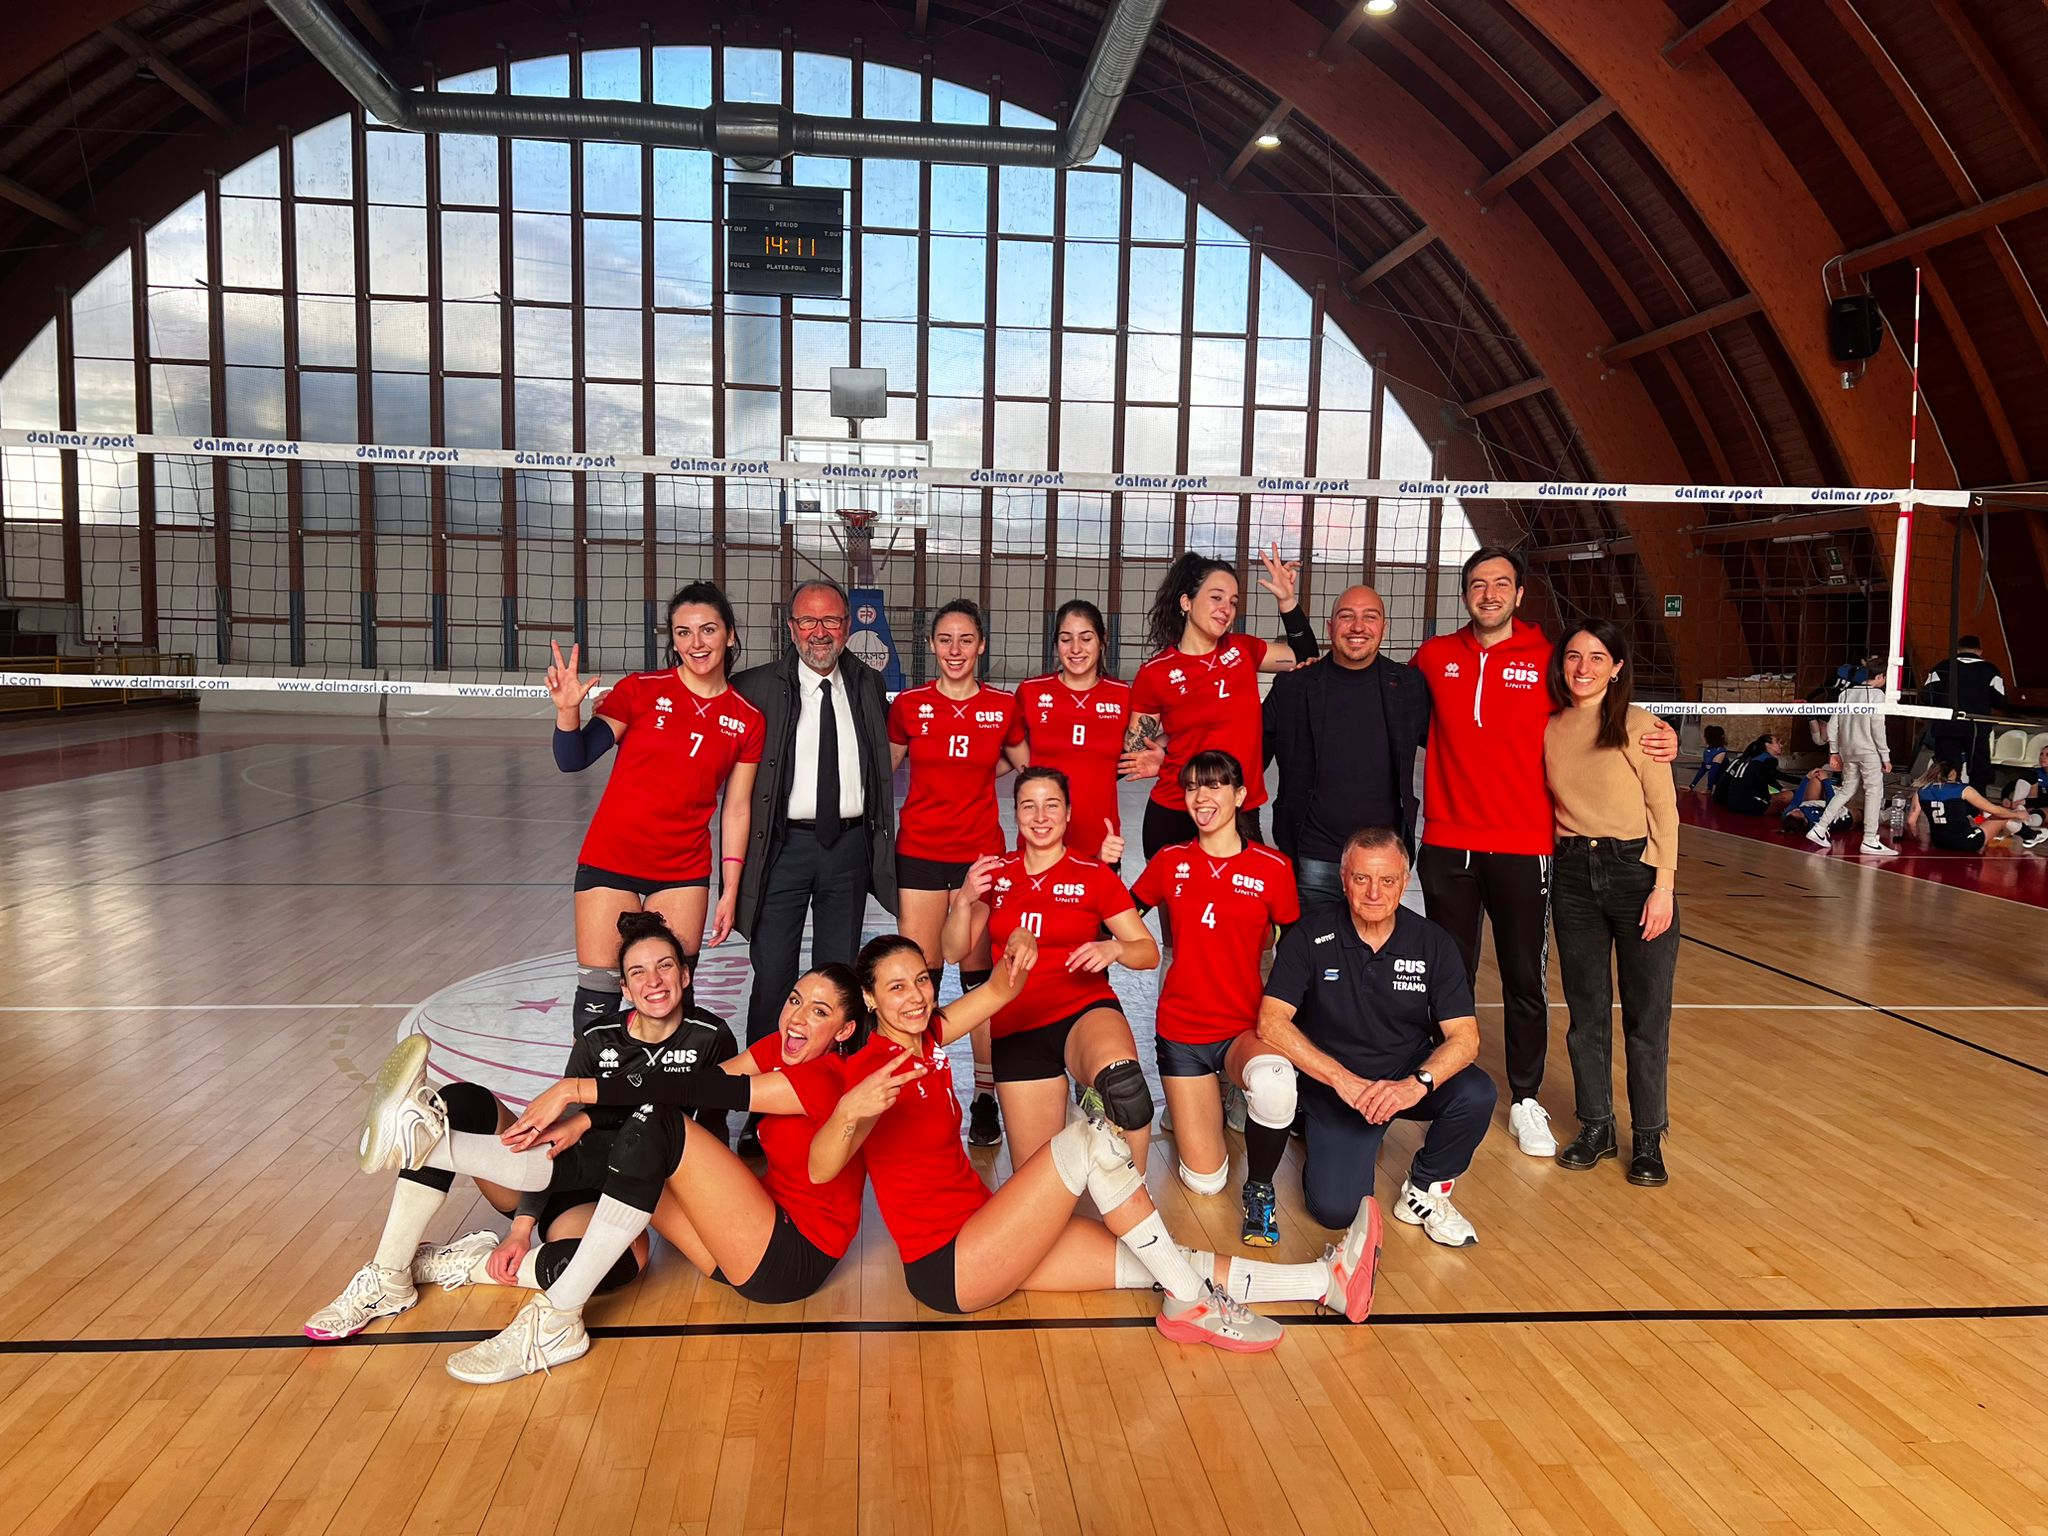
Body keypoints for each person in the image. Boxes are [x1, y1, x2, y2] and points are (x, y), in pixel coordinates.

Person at [817, 935, 1385, 1349]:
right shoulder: (873, 1073)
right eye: (896, 987)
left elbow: (998, 990)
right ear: (868, 1001)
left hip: (989, 1231)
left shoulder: (931, 1037)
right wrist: (848, 1110)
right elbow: (823, 1168)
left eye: (921, 980)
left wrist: (1017, 948)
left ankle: (1324, 1283)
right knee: (1089, 1141)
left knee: (1158, 1262)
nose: (916, 995)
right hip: (952, 1265)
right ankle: (1195, 1308)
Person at [305, 913, 738, 1361]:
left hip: (616, 1193)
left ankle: (464, 1264)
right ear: (625, 990)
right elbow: (553, 1135)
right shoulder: (597, 1038)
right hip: (553, 1173)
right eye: (638, 972)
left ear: (686, 974)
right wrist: (520, 1228)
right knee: (459, 1102)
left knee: (618, 1264)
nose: (654, 981)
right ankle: (389, 1272)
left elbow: (703, 1140)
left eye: (665, 966)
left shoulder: (710, 1038)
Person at [1412, 546, 1678, 1162]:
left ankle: (1527, 1098)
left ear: (1519, 594)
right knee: (1446, 976)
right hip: (1448, 843)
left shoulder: (1550, 661)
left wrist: (1653, 728)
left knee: (1523, 980)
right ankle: (1443, 1086)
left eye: (1500, 583)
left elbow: (1600, 704)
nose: (1489, 594)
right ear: (1464, 593)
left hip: (1526, 847)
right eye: (1477, 584)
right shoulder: (1433, 657)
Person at [492, 962, 874, 1316]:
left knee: (661, 1124)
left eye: (819, 1011)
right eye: (795, 1000)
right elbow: (692, 1085)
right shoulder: (781, 1046)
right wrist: (586, 1120)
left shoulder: (825, 1078)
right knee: (637, 1143)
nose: (797, 1017)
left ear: (844, 1031)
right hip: (739, 1245)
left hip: (789, 1260)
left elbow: (692, 1089)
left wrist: (574, 1090)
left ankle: (561, 1308)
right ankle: (462, 1198)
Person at [1254, 827, 1496, 1246]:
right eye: (1362, 879)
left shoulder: (1432, 942)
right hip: (1335, 1084)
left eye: (1387, 881)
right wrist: (1341, 1080)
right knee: (1335, 1212)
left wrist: (1414, 1085)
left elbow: (1465, 1039)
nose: (1374, 893)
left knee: (1476, 1092)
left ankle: (1426, 1190)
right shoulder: (1310, 935)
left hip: (1403, 1072)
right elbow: (1271, 1022)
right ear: (1344, 878)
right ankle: (1311, 1126)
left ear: (1404, 882)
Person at [547, 583, 763, 1034]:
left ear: (731, 636)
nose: (696, 643)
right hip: (611, 859)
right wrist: (568, 713)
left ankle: (669, 1103)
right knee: (599, 1000)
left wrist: (730, 888)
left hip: (682, 870)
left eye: (708, 630)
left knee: (673, 998)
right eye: (683, 633)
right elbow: (573, 759)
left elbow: (737, 809)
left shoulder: (747, 718)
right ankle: (595, 1099)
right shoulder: (641, 691)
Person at [731, 578, 898, 1153]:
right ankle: (760, 1106)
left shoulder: (870, 684)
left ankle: (827, 1095)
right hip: (782, 848)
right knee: (774, 976)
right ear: (791, 626)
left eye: (830, 621)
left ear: (848, 626)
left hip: (848, 848)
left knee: (837, 981)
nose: (819, 632)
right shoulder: (754, 688)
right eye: (807, 621)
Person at [942, 766, 1158, 1172]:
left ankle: (1136, 1203)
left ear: (1069, 813)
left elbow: (1148, 952)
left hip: (1084, 1009)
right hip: (1017, 1026)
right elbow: (952, 951)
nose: (1040, 817)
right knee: (1039, 1177)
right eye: (1029, 806)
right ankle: (1082, 1129)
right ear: (1016, 814)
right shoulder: (997, 874)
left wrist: (1113, 947)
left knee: (1127, 1091)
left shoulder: (1094, 875)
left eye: (1051, 805)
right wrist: (964, 900)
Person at [1130, 750, 1301, 1247]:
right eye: (1192, 788)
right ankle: (1216, 1094)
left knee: (1275, 1085)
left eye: (1215, 786)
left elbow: (1294, 947)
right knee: (1205, 1182)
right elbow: (1117, 919)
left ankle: (1262, 1188)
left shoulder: (1272, 867)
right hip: (1182, 1033)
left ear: (1240, 795)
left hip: (1245, 1027)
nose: (1202, 798)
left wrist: (1285, 1017)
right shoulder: (1169, 861)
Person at [887, 598, 1029, 1149]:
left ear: (981, 646)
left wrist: (973, 779)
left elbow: (1021, 762)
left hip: (979, 856)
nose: (954, 650)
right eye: (945, 640)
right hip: (920, 852)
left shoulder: (1002, 706)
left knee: (978, 978)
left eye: (965, 640)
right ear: (931, 646)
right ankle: (917, 1085)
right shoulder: (911, 706)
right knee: (919, 974)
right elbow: (884, 769)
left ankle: (984, 1095)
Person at [1543, 622, 1680, 1188]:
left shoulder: (1642, 729)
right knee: (1587, 1012)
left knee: (1647, 1018)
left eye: (1597, 657)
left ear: (1617, 666)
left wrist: (1664, 885)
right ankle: (1596, 1125)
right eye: (1574, 656)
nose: (1583, 667)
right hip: (1573, 873)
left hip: (1636, 873)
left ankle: (1648, 1139)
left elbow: (1664, 812)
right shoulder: (1548, 727)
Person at [1123, 545, 1319, 867]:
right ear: (1186, 602)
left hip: (1239, 808)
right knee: (1179, 917)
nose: (1226, 609)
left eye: (1233, 602)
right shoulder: (1156, 673)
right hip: (1176, 810)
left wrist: (1287, 601)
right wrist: (1164, 756)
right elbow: (1133, 749)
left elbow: (1305, 653)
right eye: (1216, 597)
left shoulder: (1244, 650)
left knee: (1245, 915)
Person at [1262, 584, 1431, 908]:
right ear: (1330, 626)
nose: (1357, 627)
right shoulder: (1294, 687)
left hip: (1382, 863)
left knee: (1374, 957)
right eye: (1346, 616)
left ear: (1384, 627)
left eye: (1370, 617)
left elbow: (1456, 745)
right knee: (1313, 956)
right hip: (1313, 856)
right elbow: (1246, 755)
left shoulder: (1409, 687)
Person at [1017, 599, 1130, 865]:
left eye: (1086, 638)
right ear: (1056, 644)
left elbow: (1141, 746)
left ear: (1102, 642)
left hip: (1102, 844)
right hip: (1040, 838)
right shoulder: (1031, 691)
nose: (1076, 649)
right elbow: (1002, 748)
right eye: (1066, 639)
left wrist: (1162, 754)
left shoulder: (1123, 694)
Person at [1809, 664, 1896, 856]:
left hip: (1848, 751)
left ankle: (1819, 828)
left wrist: (1834, 752)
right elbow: (1877, 728)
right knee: (1873, 792)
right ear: (1880, 676)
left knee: (1847, 789)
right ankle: (1870, 839)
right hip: (1869, 752)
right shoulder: (1876, 695)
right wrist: (1886, 756)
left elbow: (1832, 726)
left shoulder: (1845, 694)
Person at [1921, 636, 2008, 790]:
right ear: (1980, 651)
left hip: (1946, 725)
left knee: (1946, 768)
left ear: (1957, 650)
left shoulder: (1942, 666)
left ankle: (1944, 803)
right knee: (1978, 770)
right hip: (1976, 727)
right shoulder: (1991, 670)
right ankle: (1975, 806)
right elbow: (2000, 701)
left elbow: (1927, 695)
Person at [1906, 758, 2035, 852]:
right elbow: (1995, 810)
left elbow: (1911, 822)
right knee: (2002, 817)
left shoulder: (1921, 791)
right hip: (1966, 842)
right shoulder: (1962, 790)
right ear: (1953, 773)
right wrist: (2017, 814)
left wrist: (1916, 838)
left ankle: (2015, 834)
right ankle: (2031, 836)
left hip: (1939, 841)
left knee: (1980, 816)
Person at [1712, 734, 1790, 816]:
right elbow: (1766, 779)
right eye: (1777, 742)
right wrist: (1771, 796)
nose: (1781, 745)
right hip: (1739, 802)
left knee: (1776, 793)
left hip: (1728, 799)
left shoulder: (1746, 759)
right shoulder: (1765, 759)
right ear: (1767, 745)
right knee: (1788, 796)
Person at [1781, 765, 1839, 838]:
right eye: (1799, 812)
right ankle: (1834, 782)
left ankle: (1828, 779)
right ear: (1805, 820)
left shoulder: (1789, 816)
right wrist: (1826, 781)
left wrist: (1807, 778)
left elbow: (1796, 800)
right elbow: (1832, 805)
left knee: (1816, 776)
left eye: (1790, 812)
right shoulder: (1816, 821)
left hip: (1813, 805)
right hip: (1834, 812)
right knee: (1855, 814)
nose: (1796, 809)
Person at [1686, 725, 1730, 795]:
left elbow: (1713, 772)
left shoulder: (1721, 752)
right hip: (1717, 782)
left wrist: (1709, 789)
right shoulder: (1708, 751)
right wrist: (1692, 786)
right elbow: (1703, 769)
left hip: (1725, 784)